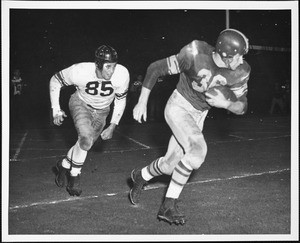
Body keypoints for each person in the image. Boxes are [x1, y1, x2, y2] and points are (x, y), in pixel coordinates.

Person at [129, 29, 250, 225]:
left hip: (198, 115)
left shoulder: (240, 71)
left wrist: (227, 104)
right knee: (197, 151)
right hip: (179, 105)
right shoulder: (196, 53)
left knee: (169, 165)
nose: (242, 60)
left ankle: (140, 176)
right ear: (226, 55)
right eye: (239, 55)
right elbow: (155, 68)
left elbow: (242, 106)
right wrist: (142, 101)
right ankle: (168, 205)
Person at [49, 45, 129, 196]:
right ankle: (74, 176)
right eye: (108, 67)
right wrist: (56, 109)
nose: (111, 71)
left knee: (85, 144)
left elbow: (120, 101)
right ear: (98, 64)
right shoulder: (80, 71)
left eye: (114, 66)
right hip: (81, 104)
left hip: (103, 111)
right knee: (85, 140)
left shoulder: (122, 74)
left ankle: (64, 164)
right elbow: (55, 80)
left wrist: (113, 125)